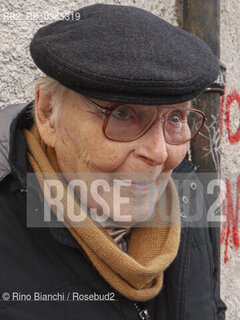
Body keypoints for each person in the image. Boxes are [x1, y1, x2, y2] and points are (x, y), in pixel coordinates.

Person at [0, 3, 227, 319]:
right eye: (123, 114)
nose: (160, 154)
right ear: (48, 112)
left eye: (176, 116)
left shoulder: (188, 193)